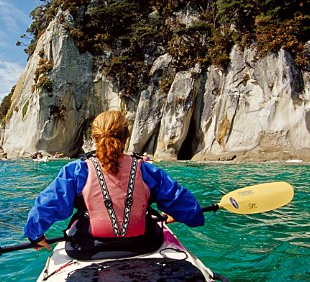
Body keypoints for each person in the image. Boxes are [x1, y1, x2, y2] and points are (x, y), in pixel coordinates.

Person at [24, 110, 204, 258]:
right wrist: (181, 214)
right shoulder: (146, 170)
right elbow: (182, 202)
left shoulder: (76, 170)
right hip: (144, 244)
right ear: (125, 138)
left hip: (88, 247)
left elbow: (48, 204)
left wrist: (35, 235)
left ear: (94, 138)